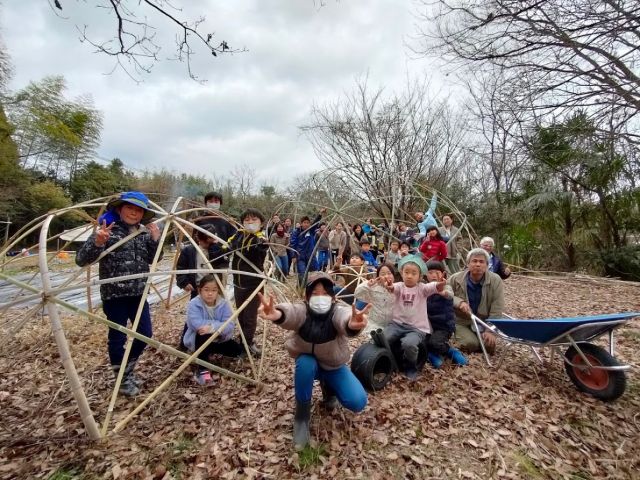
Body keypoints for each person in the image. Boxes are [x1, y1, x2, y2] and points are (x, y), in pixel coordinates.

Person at [257, 273, 370, 449]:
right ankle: (301, 418)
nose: (320, 298)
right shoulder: (303, 309)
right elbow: (291, 313)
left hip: (332, 366)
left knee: (357, 401)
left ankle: (329, 389)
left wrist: (352, 323)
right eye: (315, 293)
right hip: (309, 365)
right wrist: (277, 313)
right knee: (305, 363)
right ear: (307, 296)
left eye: (325, 293)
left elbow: (344, 317)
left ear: (332, 297)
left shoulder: (337, 309)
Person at [76, 191, 161, 397]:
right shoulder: (107, 230)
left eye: (138, 210)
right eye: (130, 208)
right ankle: (122, 379)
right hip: (115, 295)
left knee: (145, 334)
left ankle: (126, 369)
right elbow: (81, 259)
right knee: (118, 337)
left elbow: (152, 258)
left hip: (138, 293)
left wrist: (155, 239)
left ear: (143, 214)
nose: (134, 213)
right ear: (119, 209)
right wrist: (97, 242)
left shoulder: (142, 233)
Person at [381, 254, 446, 380]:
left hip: (416, 328)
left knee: (409, 344)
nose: (409, 276)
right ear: (402, 273)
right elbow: (392, 288)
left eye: (414, 273)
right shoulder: (400, 286)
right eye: (406, 272)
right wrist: (389, 286)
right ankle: (387, 361)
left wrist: (440, 284)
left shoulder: (422, 289)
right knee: (384, 338)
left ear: (420, 276)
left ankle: (411, 366)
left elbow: (434, 287)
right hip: (397, 324)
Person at [184, 275, 243, 385]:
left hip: (219, 339)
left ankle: (210, 353)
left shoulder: (224, 304)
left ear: (218, 291)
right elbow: (195, 323)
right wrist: (214, 327)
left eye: (214, 290)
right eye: (206, 290)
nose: (210, 293)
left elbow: (230, 324)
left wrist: (213, 328)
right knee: (203, 334)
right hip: (200, 340)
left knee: (237, 351)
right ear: (200, 290)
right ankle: (203, 371)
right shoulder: (194, 304)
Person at [226, 208, 269, 357]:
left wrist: (261, 245)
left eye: (254, 220)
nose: (250, 223)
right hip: (238, 283)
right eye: (247, 220)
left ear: (261, 223)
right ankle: (244, 340)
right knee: (241, 315)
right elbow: (227, 246)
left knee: (250, 317)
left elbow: (262, 248)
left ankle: (247, 344)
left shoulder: (260, 238)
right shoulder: (238, 235)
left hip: (254, 285)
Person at [448, 248, 505, 353]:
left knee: (489, 346)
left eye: (481, 262)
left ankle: (480, 338)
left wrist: (490, 330)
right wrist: (459, 302)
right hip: (461, 321)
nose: (478, 264)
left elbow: (497, 308)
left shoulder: (495, 280)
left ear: (487, 265)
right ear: (468, 264)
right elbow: (446, 293)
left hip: (483, 322)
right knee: (471, 344)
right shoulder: (456, 278)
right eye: (474, 261)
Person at [175, 223, 219, 350]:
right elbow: (181, 268)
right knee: (194, 316)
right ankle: (185, 344)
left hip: (213, 288)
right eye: (204, 241)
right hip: (198, 288)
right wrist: (184, 282)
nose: (206, 245)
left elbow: (223, 261)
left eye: (209, 241)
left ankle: (210, 343)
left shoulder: (214, 249)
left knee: (213, 315)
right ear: (198, 238)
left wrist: (216, 245)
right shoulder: (189, 250)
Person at [425, 261, 467, 368]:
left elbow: (449, 295)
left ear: (443, 273)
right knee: (421, 341)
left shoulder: (446, 286)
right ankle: (431, 354)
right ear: (425, 275)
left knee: (435, 343)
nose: (434, 275)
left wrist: (442, 292)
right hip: (428, 325)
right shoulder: (425, 288)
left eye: (437, 272)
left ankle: (450, 351)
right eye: (430, 272)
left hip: (444, 326)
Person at [196, 192, 236, 290]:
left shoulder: (226, 221)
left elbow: (234, 240)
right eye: (210, 201)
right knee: (203, 290)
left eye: (216, 201)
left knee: (219, 291)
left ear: (220, 204)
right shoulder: (200, 220)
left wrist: (225, 251)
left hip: (221, 261)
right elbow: (194, 239)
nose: (213, 203)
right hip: (203, 261)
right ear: (206, 203)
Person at [290, 208, 326, 287]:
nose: (306, 224)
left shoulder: (311, 230)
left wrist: (320, 214)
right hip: (300, 256)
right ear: (301, 223)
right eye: (304, 223)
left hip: (310, 255)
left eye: (308, 223)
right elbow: (293, 244)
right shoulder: (296, 232)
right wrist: (293, 256)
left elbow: (316, 222)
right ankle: (301, 289)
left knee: (315, 271)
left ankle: (311, 288)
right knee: (302, 273)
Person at [354, 263, 395, 331]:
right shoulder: (373, 288)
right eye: (383, 274)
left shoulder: (398, 288)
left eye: (389, 273)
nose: (386, 276)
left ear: (393, 275)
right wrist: (367, 285)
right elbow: (357, 294)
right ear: (378, 277)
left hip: (392, 326)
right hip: (374, 324)